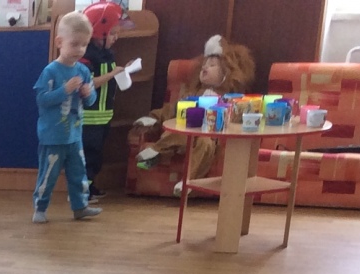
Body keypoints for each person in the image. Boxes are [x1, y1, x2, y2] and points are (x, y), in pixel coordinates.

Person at [134, 34, 255, 193]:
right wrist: (153, 118)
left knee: (205, 143)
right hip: (185, 134)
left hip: (210, 139)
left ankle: (187, 182)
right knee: (181, 129)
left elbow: (236, 118)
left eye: (212, 65)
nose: (205, 68)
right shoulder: (194, 93)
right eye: (204, 65)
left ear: (225, 73)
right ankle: (157, 151)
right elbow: (173, 109)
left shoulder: (229, 98)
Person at [32, 9, 101, 223]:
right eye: (75, 44)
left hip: (74, 135)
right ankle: (40, 208)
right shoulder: (51, 71)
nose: (80, 50)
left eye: (84, 44)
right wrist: (64, 90)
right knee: (48, 174)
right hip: (52, 137)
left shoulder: (83, 71)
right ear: (60, 42)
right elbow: (42, 99)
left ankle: (80, 206)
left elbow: (91, 101)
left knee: (79, 173)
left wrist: (88, 94)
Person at [78, 1, 129, 198]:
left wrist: (124, 70)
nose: (116, 37)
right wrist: (112, 74)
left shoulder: (107, 54)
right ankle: (81, 191)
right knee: (88, 154)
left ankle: (89, 186)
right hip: (89, 117)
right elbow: (89, 84)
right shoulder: (86, 55)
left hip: (103, 115)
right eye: (113, 33)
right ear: (100, 32)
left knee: (97, 155)